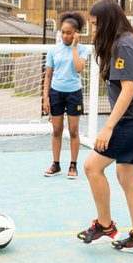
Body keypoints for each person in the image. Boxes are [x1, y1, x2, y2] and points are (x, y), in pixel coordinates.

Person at [76, 0, 133, 257]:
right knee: (126, 177)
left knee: (91, 166)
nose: (95, 30)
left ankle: (105, 226)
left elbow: (129, 89)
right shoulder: (126, 41)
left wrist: (108, 127)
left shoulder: (124, 45)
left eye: (96, 25)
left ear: (109, 22)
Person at [43, 11, 88, 179]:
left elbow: (78, 68)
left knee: (74, 131)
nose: (65, 35)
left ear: (76, 33)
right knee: (56, 130)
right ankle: (56, 164)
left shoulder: (81, 49)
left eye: (69, 33)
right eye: (62, 31)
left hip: (74, 94)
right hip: (56, 93)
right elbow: (48, 75)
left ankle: (73, 165)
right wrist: (45, 98)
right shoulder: (53, 50)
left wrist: (75, 47)